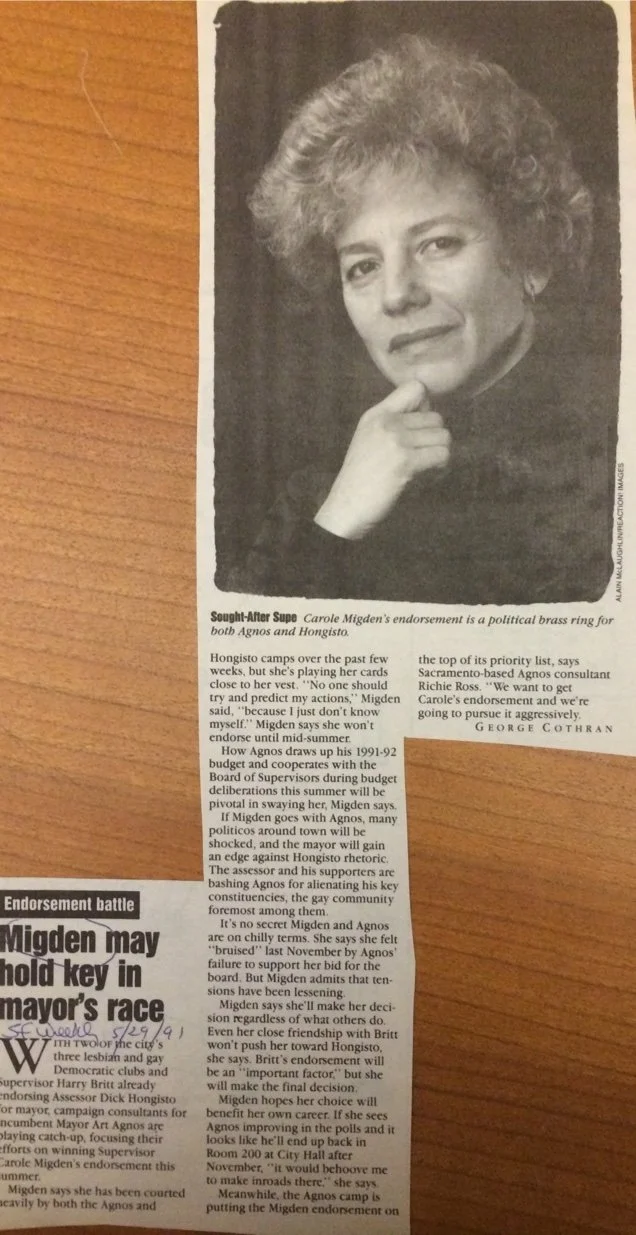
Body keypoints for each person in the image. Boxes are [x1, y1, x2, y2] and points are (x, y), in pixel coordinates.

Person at [227, 34, 617, 604]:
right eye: (361, 266)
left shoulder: (609, 468)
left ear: (530, 253)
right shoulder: (320, 491)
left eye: (436, 244)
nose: (395, 295)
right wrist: (339, 521)